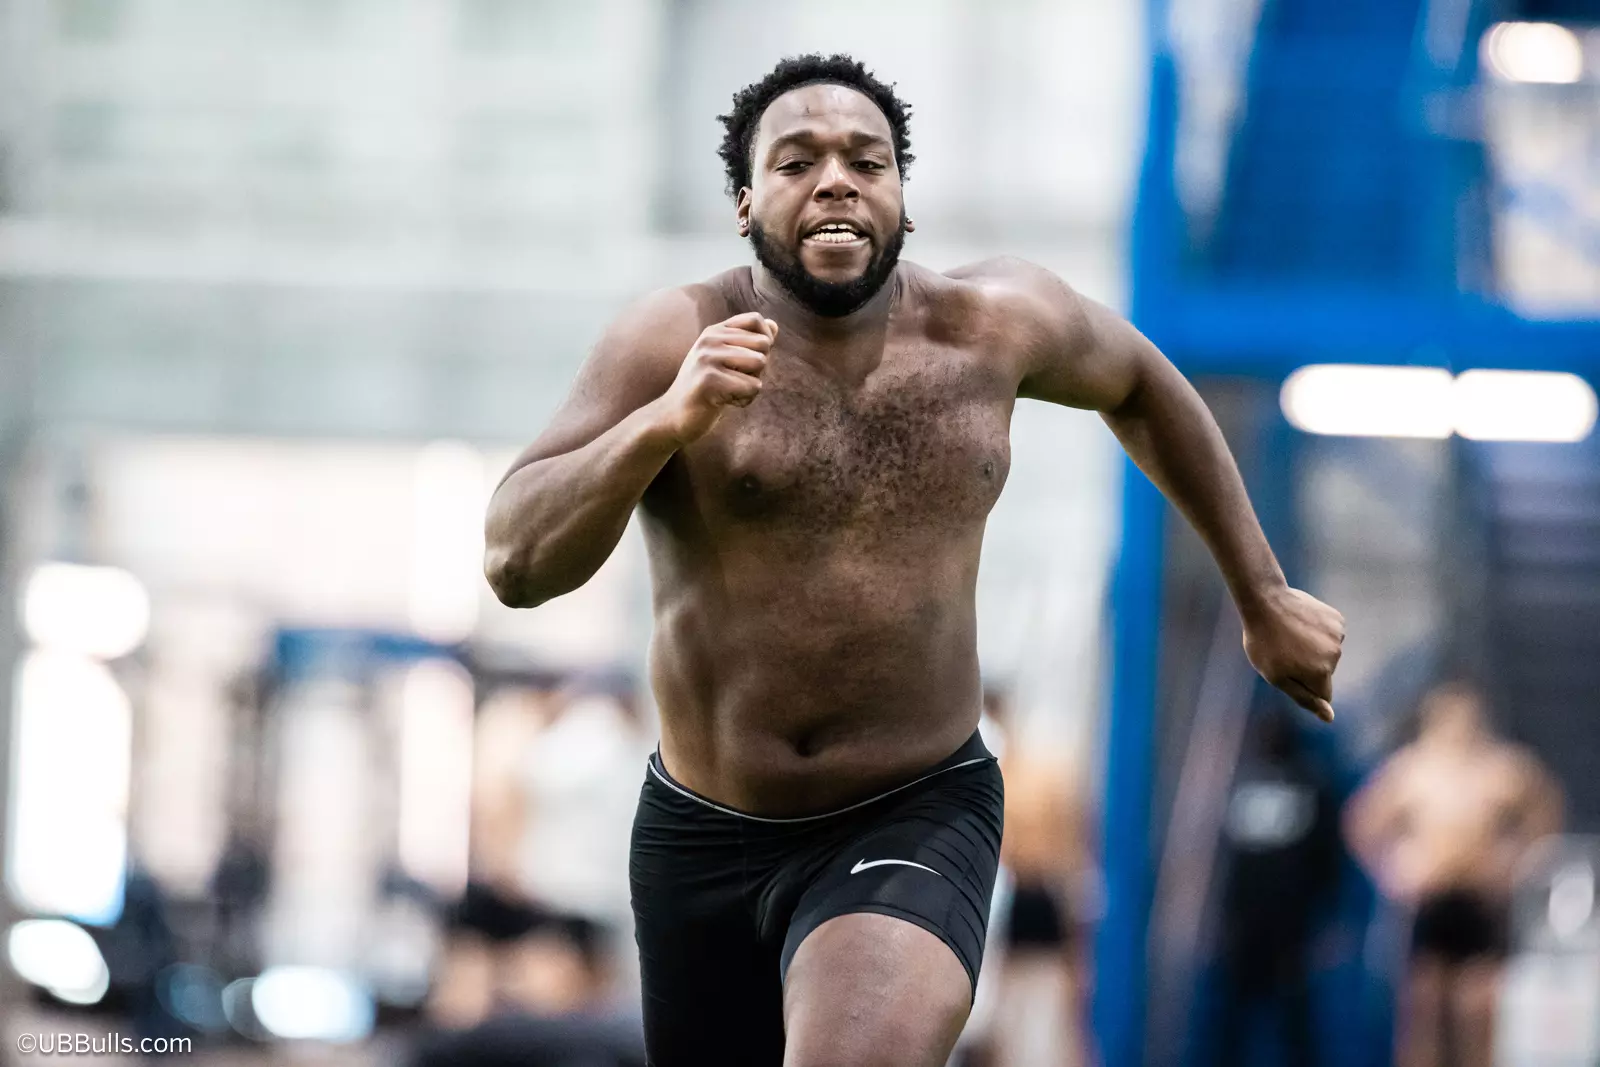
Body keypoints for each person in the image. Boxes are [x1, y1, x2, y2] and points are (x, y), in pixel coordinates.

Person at [483, 53, 1345, 1067]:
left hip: (913, 804)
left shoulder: (994, 324)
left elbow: (1146, 384)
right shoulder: (673, 337)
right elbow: (516, 559)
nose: (837, 179)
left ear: (901, 197)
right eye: (798, 160)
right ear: (747, 202)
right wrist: (664, 424)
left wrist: (1262, 591)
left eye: (867, 159)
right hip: (701, 831)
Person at [1344, 682, 1563, 1067]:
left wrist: (1515, 864)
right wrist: (1391, 869)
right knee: (1424, 1011)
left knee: (1478, 1012)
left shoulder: (1501, 768)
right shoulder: (1412, 769)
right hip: (1430, 899)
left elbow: (1545, 812)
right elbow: (1362, 823)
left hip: (1480, 900)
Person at [1213, 702, 1341, 1067]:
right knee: (1233, 1017)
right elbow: (1222, 862)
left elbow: (1327, 857)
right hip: (1243, 925)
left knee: (1294, 1016)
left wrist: (1327, 919)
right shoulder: (1237, 782)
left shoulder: (1310, 784)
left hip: (1291, 927)